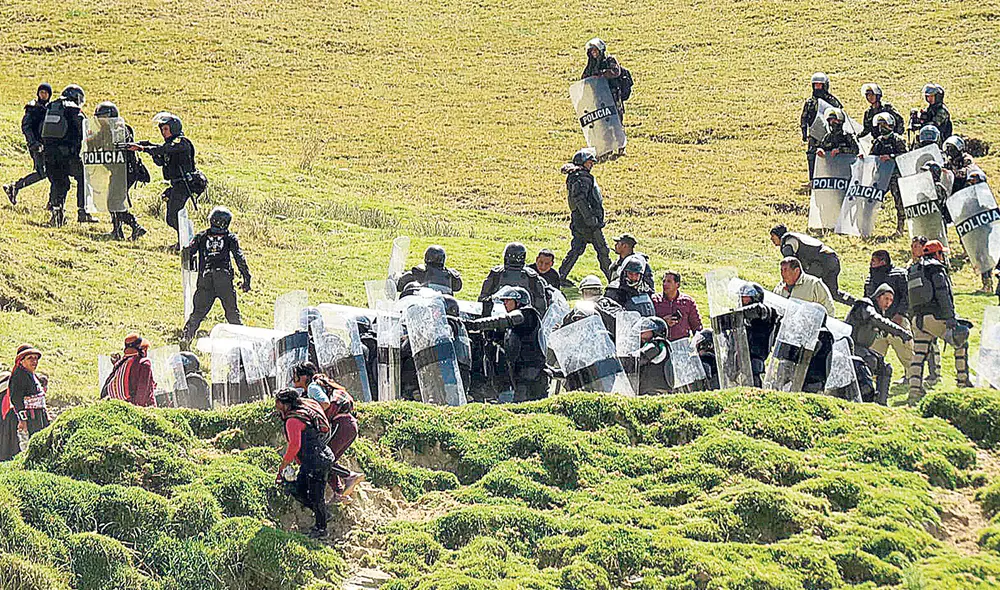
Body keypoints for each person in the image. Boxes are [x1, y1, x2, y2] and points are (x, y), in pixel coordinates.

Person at [907, 240, 973, 404]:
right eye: (941, 253)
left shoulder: (914, 269)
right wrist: (951, 318)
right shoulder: (936, 269)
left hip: (918, 319)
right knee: (961, 341)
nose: (943, 256)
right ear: (937, 254)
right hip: (935, 317)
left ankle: (914, 390)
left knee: (919, 354)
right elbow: (943, 294)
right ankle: (963, 382)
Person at [291, 363, 364, 503]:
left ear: (304, 376)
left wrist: (313, 416)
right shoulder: (315, 386)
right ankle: (339, 493)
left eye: (296, 374)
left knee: (322, 459)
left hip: (341, 425)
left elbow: (325, 403)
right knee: (328, 459)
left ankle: (350, 476)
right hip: (347, 425)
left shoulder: (312, 387)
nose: (293, 378)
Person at [465, 286, 548, 402]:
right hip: (519, 374)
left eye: (508, 300)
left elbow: (505, 320)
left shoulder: (529, 314)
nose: (505, 303)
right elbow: (493, 337)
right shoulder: (513, 329)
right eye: (504, 300)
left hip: (533, 374)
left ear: (519, 302)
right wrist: (486, 313)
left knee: (526, 407)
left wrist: (474, 325)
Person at [181, 207, 252, 341]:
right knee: (232, 314)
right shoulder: (230, 237)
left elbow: (186, 252)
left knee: (197, 313)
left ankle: (186, 338)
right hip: (223, 278)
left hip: (205, 277)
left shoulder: (201, 236)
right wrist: (246, 278)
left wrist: (192, 266)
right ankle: (243, 342)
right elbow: (239, 258)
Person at [127, 112, 197, 248]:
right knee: (173, 216)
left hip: (185, 183)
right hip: (177, 184)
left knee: (173, 217)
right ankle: (185, 242)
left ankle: (187, 242)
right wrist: (147, 147)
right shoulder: (170, 144)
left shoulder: (181, 142)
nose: (163, 132)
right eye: (162, 129)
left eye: (165, 129)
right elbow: (161, 159)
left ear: (174, 128)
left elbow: (165, 149)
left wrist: (144, 148)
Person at [274, 388, 335, 538]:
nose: (275, 404)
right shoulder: (304, 408)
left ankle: (321, 529)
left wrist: (282, 468)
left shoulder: (293, 421)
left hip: (316, 462)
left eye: (278, 402)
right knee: (297, 489)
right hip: (316, 458)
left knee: (316, 496)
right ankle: (324, 514)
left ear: (286, 404)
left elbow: (294, 446)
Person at [40, 84, 97, 226]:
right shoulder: (72, 108)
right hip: (67, 154)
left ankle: (57, 216)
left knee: (59, 183)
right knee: (83, 177)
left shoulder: (52, 106)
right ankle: (82, 212)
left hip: (48, 154)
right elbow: (84, 128)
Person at [845, 284, 913, 405]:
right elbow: (874, 318)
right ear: (878, 297)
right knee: (870, 360)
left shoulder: (879, 312)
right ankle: (862, 399)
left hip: (862, 348)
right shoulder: (865, 305)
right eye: (886, 299)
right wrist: (899, 332)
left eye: (891, 300)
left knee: (885, 367)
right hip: (849, 346)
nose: (889, 303)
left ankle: (881, 404)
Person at [93, 102, 148, 241]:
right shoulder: (105, 131)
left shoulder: (119, 130)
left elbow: (117, 150)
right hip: (117, 171)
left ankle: (135, 226)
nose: (101, 120)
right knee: (113, 201)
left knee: (114, 202)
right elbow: (95, 142)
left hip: (125, 172)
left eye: (104, 117)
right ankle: (118, 232)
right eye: (99, 117)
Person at [557, 149, 613, 284]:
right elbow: (580, 200)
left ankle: (560, 276)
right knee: (602, 250)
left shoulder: (578, 177)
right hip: (588, 223)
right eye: (589, 162)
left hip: (581, 221)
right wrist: (591, 219)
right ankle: (613, 280)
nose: (591, 165)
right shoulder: (581, 177)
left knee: (577, 249)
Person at [769, 225, 846, 304]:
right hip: (832, 259)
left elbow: (790, 268)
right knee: (833, 293)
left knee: (802, 284)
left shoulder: (788, 244)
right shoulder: (796, 238)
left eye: (773, 236)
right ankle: (856, 303)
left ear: (779, 235)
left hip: (821, 263)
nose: (771, 239)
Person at [4, 83, 52, 205]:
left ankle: (53, 203)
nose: (43, 94)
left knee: (52, 172)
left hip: (47, 146)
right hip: (37, 146)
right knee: (42, 173)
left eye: (46, 93)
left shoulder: (51, 108)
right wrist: (33, 143)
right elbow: (26, 127)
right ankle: (14, 187)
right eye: (41, 92)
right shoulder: (33, 107)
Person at [0, 345, 50, 461]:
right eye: (30, 358)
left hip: (35, 417)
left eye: (36, 358)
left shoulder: (31, 375)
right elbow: (16, 399)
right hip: (25, 419)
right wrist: (22, 420)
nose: (34, 361)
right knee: (21, 448)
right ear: (21, 361)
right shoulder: (19, 375)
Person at [865, 250, 912, 369]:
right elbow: (867, 299)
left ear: (882, 261)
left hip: (897, 321)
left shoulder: (899, 275)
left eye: (873, 261)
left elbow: (907, 297)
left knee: (907, 355)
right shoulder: (870, 279)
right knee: (873, 356)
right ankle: (874, 380)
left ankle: (913, 379)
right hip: (877, 324)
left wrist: (900, 314)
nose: (871, 264)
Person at [479, 242, 549, 315]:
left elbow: (482, 299)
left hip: (523, 319)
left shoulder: (497, 273)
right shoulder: (531, 276)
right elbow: (541, 306)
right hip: (498, 316)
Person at [867, 113, 909, 235]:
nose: (882, 127)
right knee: (871, 200)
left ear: (891, 125)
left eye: (884, 124)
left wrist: (891, 157)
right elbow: (871, 157)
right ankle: (866, 227)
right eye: (879, 125)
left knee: (899, 203)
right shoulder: (878, 142)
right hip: (881, 176)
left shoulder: (898, 140)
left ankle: (900, 229)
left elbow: (905, 156)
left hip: (895, 176)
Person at [800, 72, 843, 180]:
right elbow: (804, 117)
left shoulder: (833, 101)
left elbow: (840, 115)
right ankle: (813, 179)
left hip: (830, 133)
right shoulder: (810, 102)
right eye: (816, 85)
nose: (818, 88)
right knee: (812, 156)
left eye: (820, 85)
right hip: (814, 134)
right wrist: (804, 132)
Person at [737, 283, 779, 387]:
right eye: (741, 297)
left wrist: (740, 314)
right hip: (739, 358)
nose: (742, 300)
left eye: (745, 297)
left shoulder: (766, 313)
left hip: (756, 359)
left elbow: (760, 311)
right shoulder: (741, 317)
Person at [100, 334, 157, 407]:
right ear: (140, 349)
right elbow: (142, 392)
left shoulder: (122, 363)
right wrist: (139, 409)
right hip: (142, 409)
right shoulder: (144, 364)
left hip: (122, 406)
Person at [652, 271, 703, 341]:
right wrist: (663, 322)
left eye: (669, 281)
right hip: (660, 345)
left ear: (677, 285)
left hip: (682, 347)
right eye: (664, 281)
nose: (665, 284)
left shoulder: (688, 302)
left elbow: (697, 327)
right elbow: (648, 326)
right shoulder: (655, 300)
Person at [582, 38, 624, 124]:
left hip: (612, 97)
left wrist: (602, 74)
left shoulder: (609, 60)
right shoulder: (591, 65)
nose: (594, 52)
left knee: (616, 123)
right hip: (598, 98)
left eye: (595, 50)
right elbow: (584, 78)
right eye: (591, 50)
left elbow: (616, 72)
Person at [396, 245, 463, 295]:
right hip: (442, 307)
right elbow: (458, 287)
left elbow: (401, 284)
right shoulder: (451, 274)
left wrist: (397, 278)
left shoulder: (421, 271)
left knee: (411, 286)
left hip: (425, 305)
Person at [636, 317, 671, 395]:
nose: (641, 331)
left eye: (646, 329)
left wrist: (623, 360)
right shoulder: (664, 345)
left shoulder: (656, 345)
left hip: (653, 392)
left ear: (656, 331)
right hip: (657, 391)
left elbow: (639, 358)